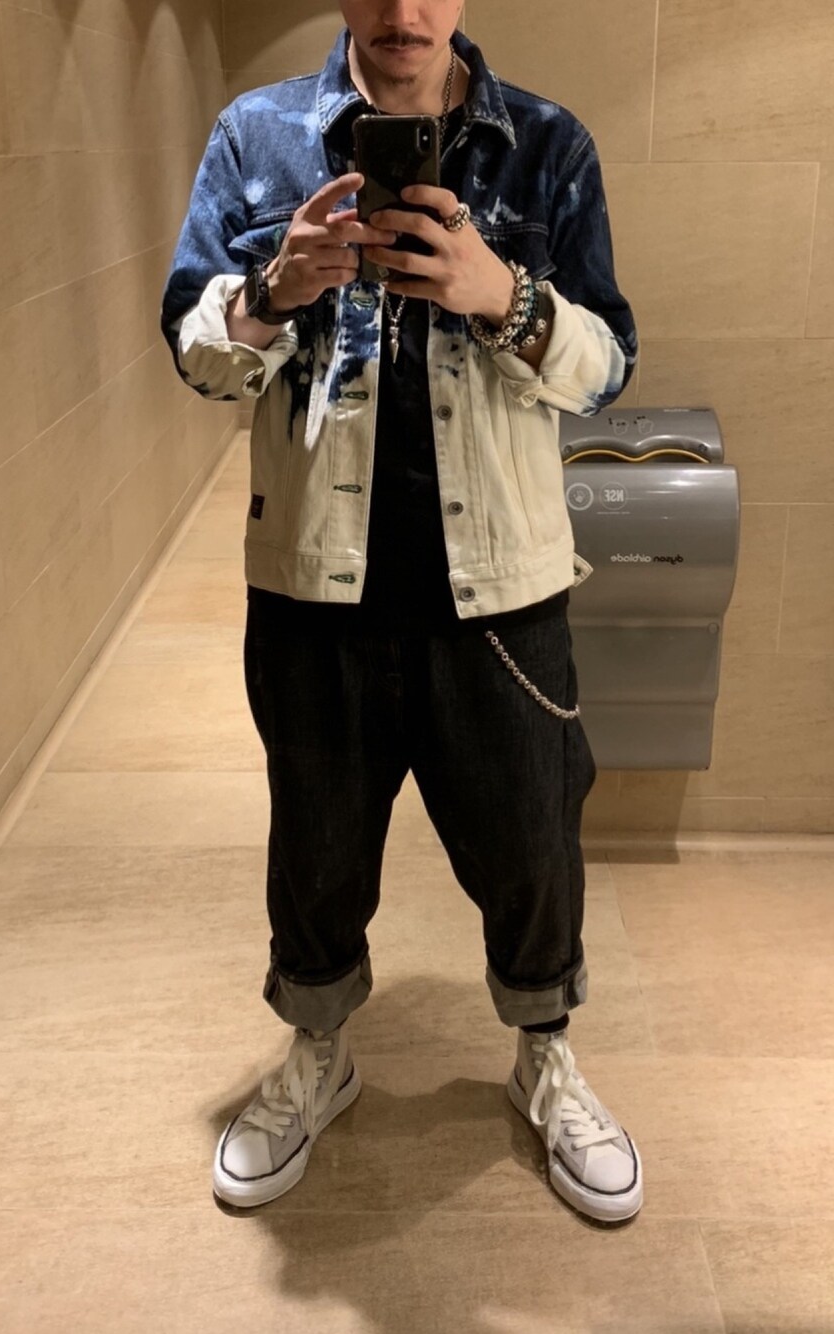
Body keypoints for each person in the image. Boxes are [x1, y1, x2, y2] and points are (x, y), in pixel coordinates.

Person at [162, 0, 642, 1226]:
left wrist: (502, 296)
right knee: (316, 846)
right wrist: (273, 290)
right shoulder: (258, 137)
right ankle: (318, 1052)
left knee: (533, 845)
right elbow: (196, 353)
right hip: (314, 586)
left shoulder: (546, 145)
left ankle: (544, 1055)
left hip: (504, 587)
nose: (403, 13)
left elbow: (606, 367)